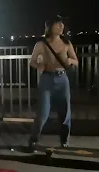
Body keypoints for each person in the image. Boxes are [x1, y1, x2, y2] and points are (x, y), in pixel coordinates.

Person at [28, 15, 78, 152]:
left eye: (62, 24)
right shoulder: (41, 44)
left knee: (65, 112)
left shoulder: (67, 43)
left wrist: (70, 61)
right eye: (57, 24)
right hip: (46, 79)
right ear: (50, 27)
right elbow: (32, 61)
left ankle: (64, 140)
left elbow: (76, 60)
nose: (61, 27)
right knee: (43, 114)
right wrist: (39, 64)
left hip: (62, 79)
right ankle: (33, 140)